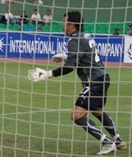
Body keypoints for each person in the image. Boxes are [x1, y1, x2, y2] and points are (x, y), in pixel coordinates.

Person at [27, 11, 127, 155]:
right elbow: (85, 57)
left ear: (72, 25)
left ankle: (107, 142)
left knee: (76, 115)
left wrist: (46, 75)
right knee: (97, 111)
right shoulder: (86, 36)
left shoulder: (74, 40)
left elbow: (69, 68)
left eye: (64, 23)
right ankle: (119, 141)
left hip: (94, 82)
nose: (63, 26)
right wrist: (68, 57)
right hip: (103, 78)